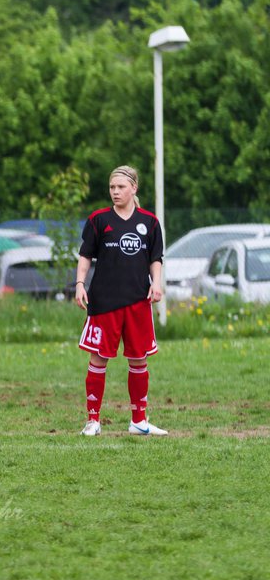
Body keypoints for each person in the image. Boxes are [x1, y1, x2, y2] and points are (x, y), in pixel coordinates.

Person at [74, 164, 166, 436]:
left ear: (134, 188)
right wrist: (80, 284)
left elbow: (155, 258)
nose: (115, 192)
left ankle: (139, 421)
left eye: (121, 187)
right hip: (104, 302)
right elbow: (85, 256)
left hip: (138, 300)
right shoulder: (98, 220)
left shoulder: (149, 222)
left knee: (139, 360)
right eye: (112, 187)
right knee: (98, 358)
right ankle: (93, 421)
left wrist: (157, 284)